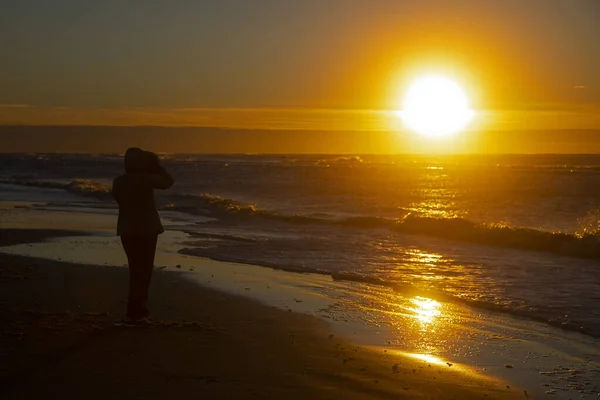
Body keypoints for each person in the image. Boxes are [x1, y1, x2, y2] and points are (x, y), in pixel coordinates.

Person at [112, 147, 174, 322]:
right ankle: (137, 308)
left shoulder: (119, 181)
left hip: (127, 229)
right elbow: (168, 182)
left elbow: (119, 200)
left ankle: (134, 307)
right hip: (146, 229)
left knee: (135, 268)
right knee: (144, 270)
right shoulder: (145, 180)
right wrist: (156, 166)